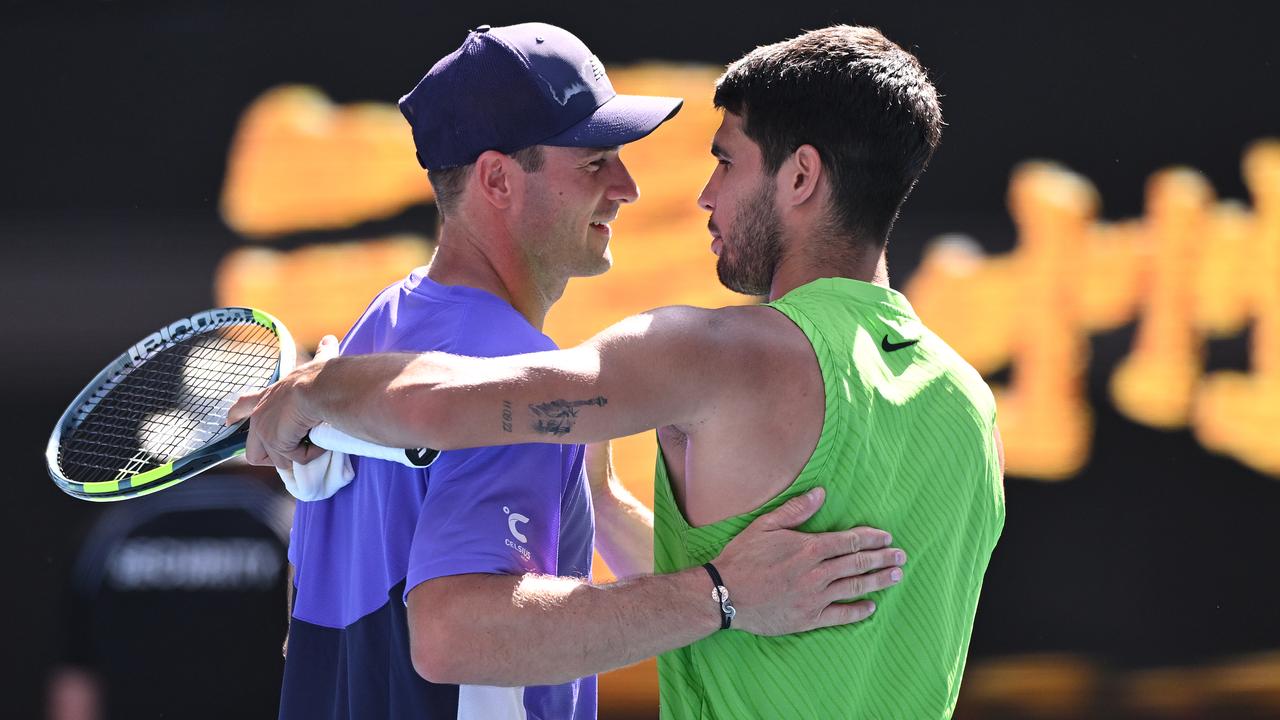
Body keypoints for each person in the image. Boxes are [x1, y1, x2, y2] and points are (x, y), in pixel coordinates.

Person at [234, 23, 1004, 719]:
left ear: (801, 176)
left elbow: (441, 412)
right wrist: (654, 542)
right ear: (497, 180)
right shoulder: (970, 406)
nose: (690, 192)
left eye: (724, 162)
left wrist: (314, 389)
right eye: (597, 159)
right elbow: (782, 608)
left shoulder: (705, 354)